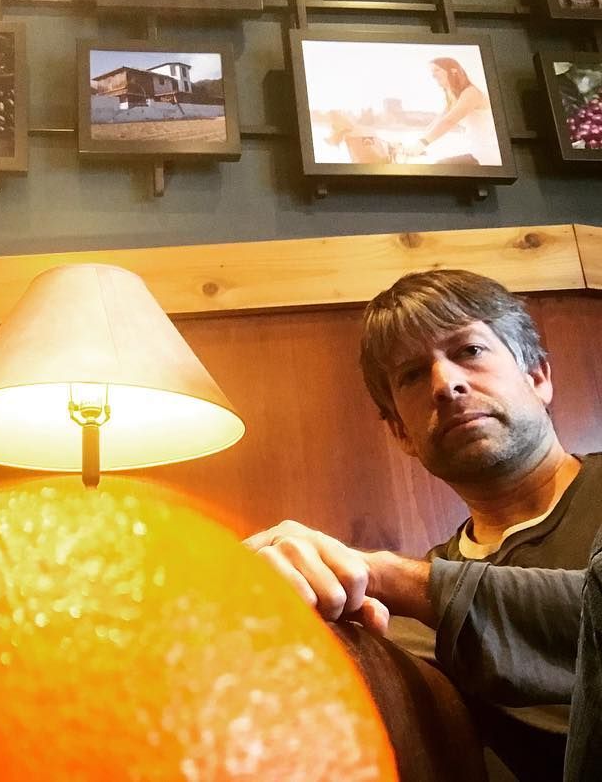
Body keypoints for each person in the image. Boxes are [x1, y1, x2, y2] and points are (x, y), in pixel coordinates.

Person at [244, 269, 601, 781]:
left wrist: (385, 575)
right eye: (412, 375)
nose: (445, 384)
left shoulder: (404, 590)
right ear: (401, 433)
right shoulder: (403, 620)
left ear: (538, 377)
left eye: (469, 350)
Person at [401, 57, 503, 165]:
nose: (433, 75)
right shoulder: (454, 97)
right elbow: (439, 121)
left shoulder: (471, 92)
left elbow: (449, 121)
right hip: (474, 151)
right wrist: (416, 143)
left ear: (453, 71)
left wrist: (422, 144)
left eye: (437, 70)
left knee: (440, 166)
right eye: (432, 72)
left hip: (487, 155)